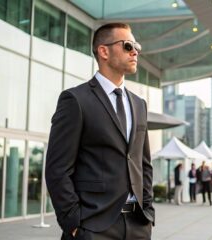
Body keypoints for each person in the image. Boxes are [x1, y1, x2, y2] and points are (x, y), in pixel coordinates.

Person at [45, 23, 154, 240]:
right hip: (93, 227)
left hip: (138, 226)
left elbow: (143, 163)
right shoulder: (75, 100)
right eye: (127, 45)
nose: (135, 51)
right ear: (104, 51)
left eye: (136, 46)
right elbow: (57, 169)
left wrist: (148, 210)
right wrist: (74, 223)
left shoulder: (139, 104)